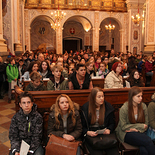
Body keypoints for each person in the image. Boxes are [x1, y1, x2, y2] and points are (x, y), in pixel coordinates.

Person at [115, 86, 155, 155]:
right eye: (138, 96)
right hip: (126, 133)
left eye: (141, 96)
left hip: (140, 132)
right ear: (132, 96)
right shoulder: (124, 108)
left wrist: (135, 128)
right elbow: (123, 126)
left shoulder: (143, 106)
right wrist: (140, 126)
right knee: (148, 141)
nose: (141, 98)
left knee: (144, 150)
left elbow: (146, 124)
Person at [80, 87, 119, 155]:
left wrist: (109, 129)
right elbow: (81, 126)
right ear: (93, 98)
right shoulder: (85, 108)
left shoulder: (108, 107)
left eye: (102, 96)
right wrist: (87, 132)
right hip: (92, 135)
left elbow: (112, 123)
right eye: (99, 97)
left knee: (114, 152)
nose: (102, 99)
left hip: (105, 134)